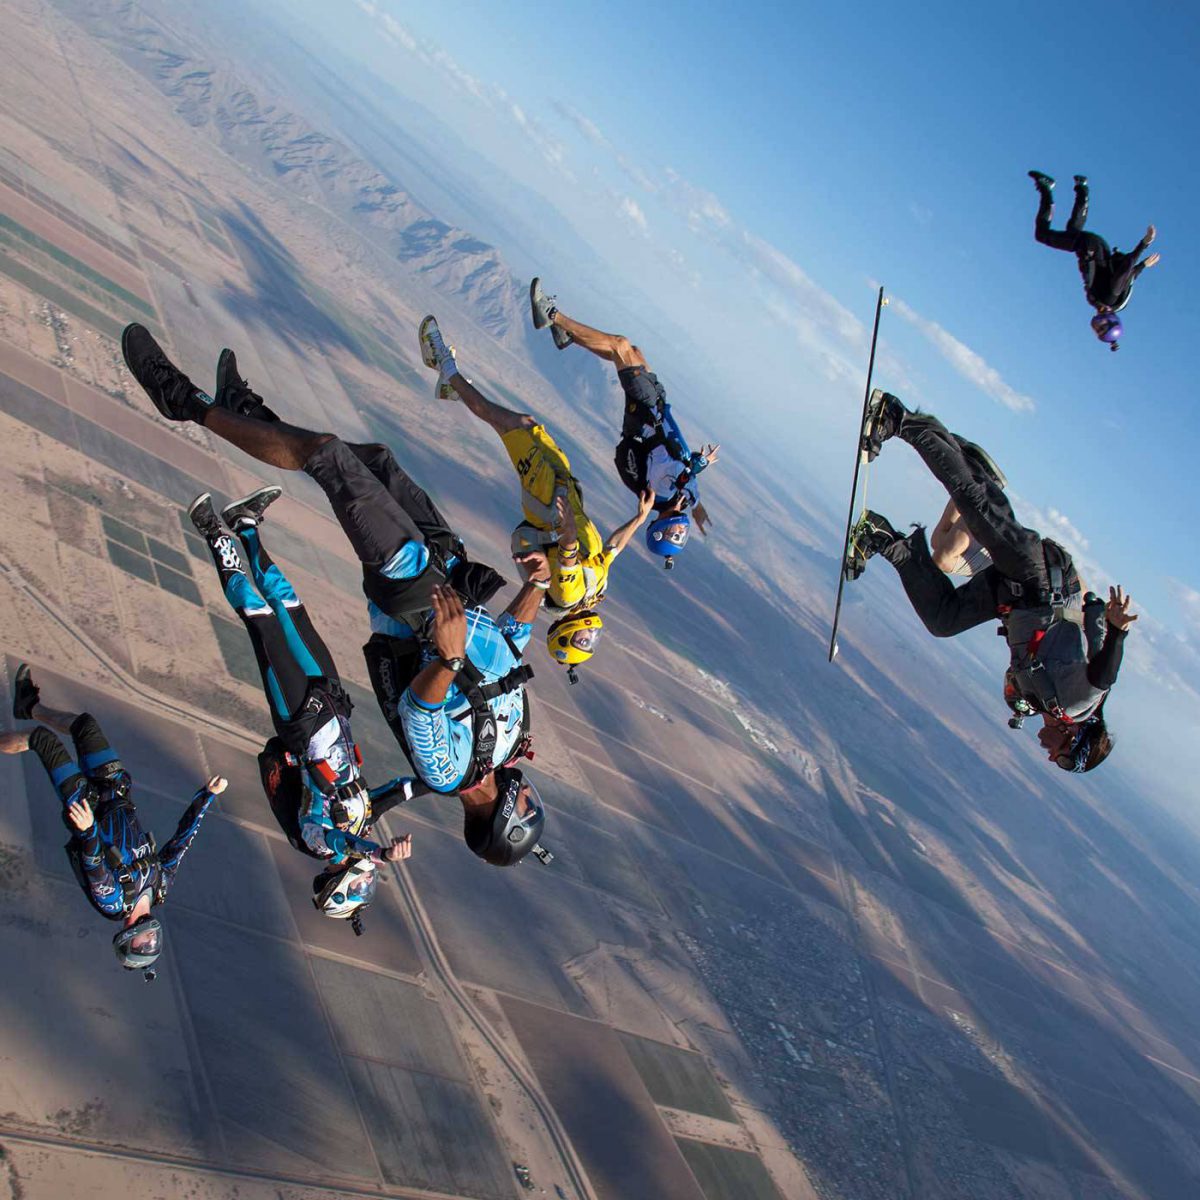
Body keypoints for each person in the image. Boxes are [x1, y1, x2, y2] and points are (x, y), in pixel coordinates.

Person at [121, 325, 552, 867]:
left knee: (328, 458)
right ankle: (246, 410)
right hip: (451, 568)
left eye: (531, 806)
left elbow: (420, 710)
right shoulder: (510, 743)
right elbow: (510, 641)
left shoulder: (449, 772)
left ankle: (186, 404)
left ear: (508, 817)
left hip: (415, 596)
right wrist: (535, 586)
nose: (533, 793)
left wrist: (447, 657)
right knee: (377, 461)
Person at [848, 390, 1137, 773]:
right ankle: (897, 418)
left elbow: (1086, 641)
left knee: (944, 619)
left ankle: (886, 540)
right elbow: (1104, 674)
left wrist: (1097, 618)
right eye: (1062, 758)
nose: (1052, 756)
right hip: (1039, 581)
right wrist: (1116, 632)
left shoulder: (1048, 704)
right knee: (975, 503)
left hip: (1013, 598)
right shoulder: (1076, 705)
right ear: (1075, 740)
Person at [187, 486, 412, 926]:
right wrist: (458, 783)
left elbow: (336, 838)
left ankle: (212, 531)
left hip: (301, 719)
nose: (368, 880)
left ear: (339, 883)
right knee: (291, 609)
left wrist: (378, 853)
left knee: (261, 620)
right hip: (332, 703)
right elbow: (403, 789)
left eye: (360, 889)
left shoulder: (314, 843)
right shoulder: (361, 823)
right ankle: (246, 526)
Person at [418, 314, 655, 678]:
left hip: (547, 499)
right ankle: (453, 386)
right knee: (525, 423)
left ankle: (444, 366)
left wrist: (569, 531)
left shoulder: (568, 595)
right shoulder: (592, 592)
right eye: (590, 643)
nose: (590, 637)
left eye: (582, 642)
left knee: (509, 425)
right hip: (564, 492)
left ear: (565, 634)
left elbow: (570, 552)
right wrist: (638, 520)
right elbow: (612, 549)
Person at [0, 664, 223, 979]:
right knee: (85, 725)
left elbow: (94, 865)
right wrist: (206, 797)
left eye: (143, 946)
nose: (150, 941)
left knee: (42, 741)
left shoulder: (114, 902)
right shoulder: (160, 886)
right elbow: (181, 842)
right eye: (152, 945)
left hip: (86, 806)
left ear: (129, 938)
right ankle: (30, 706)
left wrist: (88, 828)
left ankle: (20, 726)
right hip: (115, 790)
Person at [528, 279, 718, 568]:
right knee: (635, 354)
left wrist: (700, 464)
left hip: (646, 419)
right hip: (659, 411)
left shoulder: (660, 494)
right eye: (681, 535)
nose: (681, 531)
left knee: (620, 345)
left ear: (660, 528)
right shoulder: (685, 500)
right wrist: (700, 509)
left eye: (674, 534)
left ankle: (552, 315)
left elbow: (680, 470)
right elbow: (688, 481)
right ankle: (568, 337)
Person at [1028, 170, 1160, 351]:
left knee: (1072, 229)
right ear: (1112, 320)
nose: (1098, 326)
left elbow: (1129, 276)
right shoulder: (1109, 298)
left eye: (1098, 330)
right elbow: (1125, 270)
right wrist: (1143, 244)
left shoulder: (1103, 302)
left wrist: (1144, 265)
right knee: (1042, 235)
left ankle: (1081, 187)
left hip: (1093, 247)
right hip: (1089, 247)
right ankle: (1046, 188)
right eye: (1103, 327)